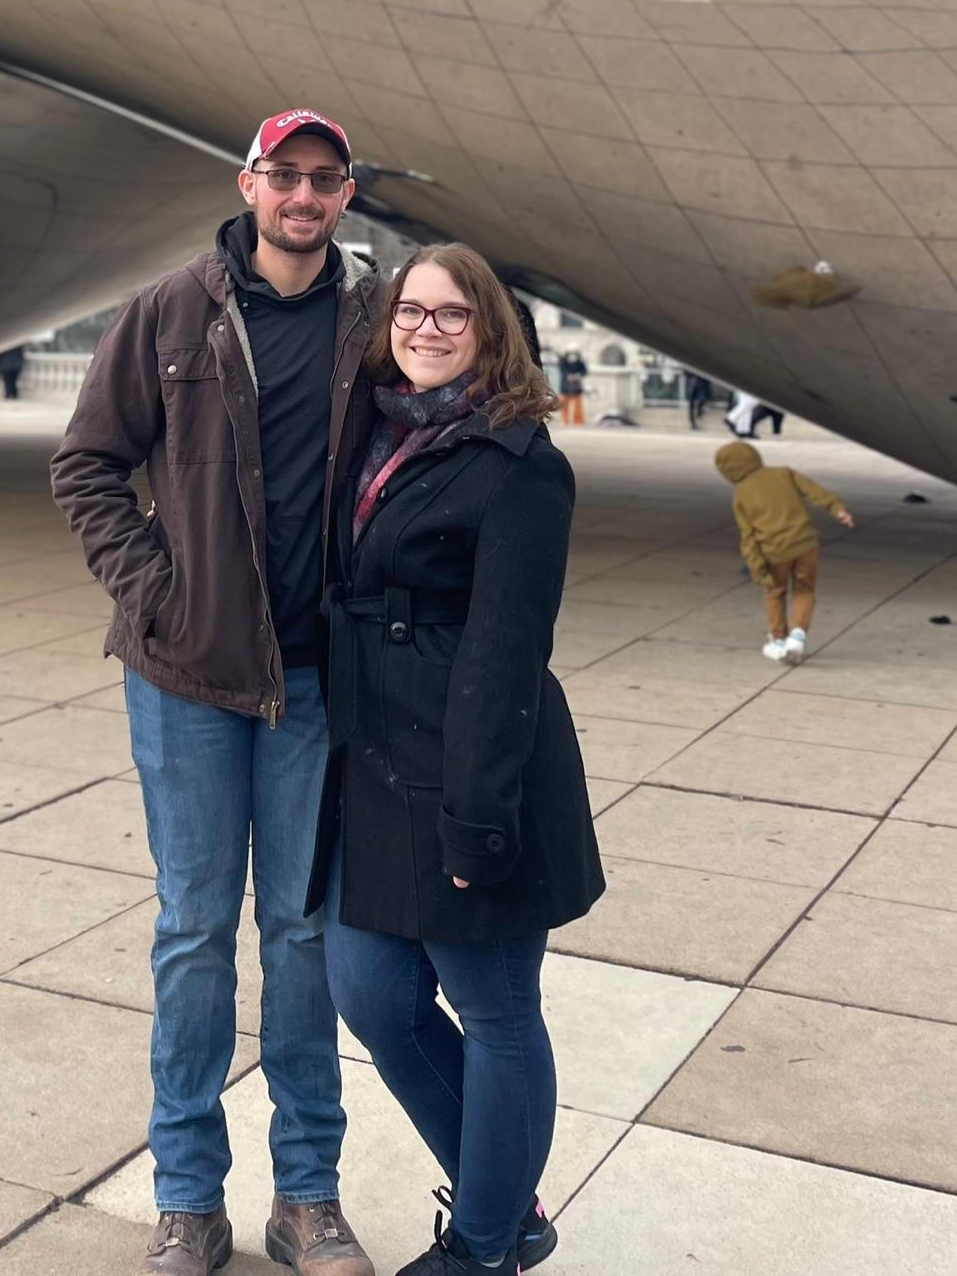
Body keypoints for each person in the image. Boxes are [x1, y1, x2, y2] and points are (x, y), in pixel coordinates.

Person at [51, 109, 380, 1276]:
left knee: (300, 936)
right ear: (248, 184)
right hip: (188, 676)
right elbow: (86, 463)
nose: (303, 195)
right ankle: (187, 1197)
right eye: (284, 175)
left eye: (324, 179)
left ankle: (308, 1196)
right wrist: (157, 592)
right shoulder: (172, 309)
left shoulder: (372, 320)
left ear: (346, 195)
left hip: (316, 682)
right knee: (194, 930)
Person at [308, 243, 604, 1276]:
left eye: (451, 315)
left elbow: (506, 648)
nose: (425, 329)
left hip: (473, 765)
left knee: (495, 1010)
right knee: (374, 995)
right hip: (373, 761)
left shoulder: (522, 463)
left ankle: (482, 1247)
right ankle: (507, 1206)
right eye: (410, 311)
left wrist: (479, 815)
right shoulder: (375, 435)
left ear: (491, 331)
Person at [714, 440, 854, 664]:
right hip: (806, 545)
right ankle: (798, 636)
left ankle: (778, 640)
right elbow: (815, 491)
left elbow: (748, 536)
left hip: (774, 552)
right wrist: (837, 509)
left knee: (775, 592)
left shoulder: (741, 495)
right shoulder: (784, 473)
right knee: (805, 589)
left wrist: (756, 566)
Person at [556, 347, 587, 427]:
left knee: (577, 404)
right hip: (565, 386)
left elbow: (584, 371)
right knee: (564, 404)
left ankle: (577, 421)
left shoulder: (580, 362)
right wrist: (568, 376)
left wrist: (578, 375)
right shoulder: (563, 361)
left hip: (576, 386)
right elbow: (562, 370)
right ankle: (564, 420)